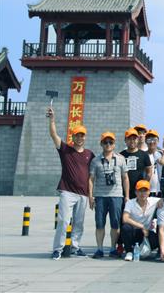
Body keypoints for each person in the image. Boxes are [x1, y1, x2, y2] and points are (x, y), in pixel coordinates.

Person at [46, 106, 95, 260]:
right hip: (67, 191)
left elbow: (92, 176)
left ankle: (75, 246)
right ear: (72, 137)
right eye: (77, 135)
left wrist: (91, 195)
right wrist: (52, 119)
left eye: (82, 135)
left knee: (79, 223)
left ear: (85, 137)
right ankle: (57, 249)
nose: (80, 138)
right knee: (63, 220)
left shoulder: (89, 154)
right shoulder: (65, 149)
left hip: (83, 193)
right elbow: (53, 135)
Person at [88, 132, 129, 259]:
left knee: (115, 224)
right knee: (99, 224)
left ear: (114, 144)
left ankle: (112, 248)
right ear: (101, 144)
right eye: (105, 142)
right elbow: (91, 179)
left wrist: (126, 196)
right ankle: (99, 249)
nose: (108, 144)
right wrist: (90, 196)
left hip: (116, 196)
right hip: (100, 196)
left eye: (110, 142)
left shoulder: (121, 159)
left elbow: (125, 178)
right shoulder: (95, 160)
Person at [120, 180, 160, 261]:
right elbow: (125, 218)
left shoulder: (153, 201)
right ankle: (129, 251)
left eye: (145, 191)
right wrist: (141, 226)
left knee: (157, 237)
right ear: (136, 192)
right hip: (133, 232)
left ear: (149, 192)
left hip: (146, 233)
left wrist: (162, 201)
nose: (143, 193)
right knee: (125, 228)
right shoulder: (130, 203)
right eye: (140, 191)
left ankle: (147, 250)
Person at [120, 128, 152, 200]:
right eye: (129, 139)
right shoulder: (121, 155)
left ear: (137, 140)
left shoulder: (144, 155)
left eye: (134, 139)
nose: (132, 141)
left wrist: (144, 184)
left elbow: (149, 172)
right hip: (124, 191)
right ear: (125, 140)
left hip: (139, 191)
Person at [145, 130, 162, 197]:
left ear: (158, 141)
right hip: (146, 190)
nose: (152, 142)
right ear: (145, 141)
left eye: (154, 139)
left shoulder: (162, 154)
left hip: (160, 190)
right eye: (149, 140)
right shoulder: (143, 155)